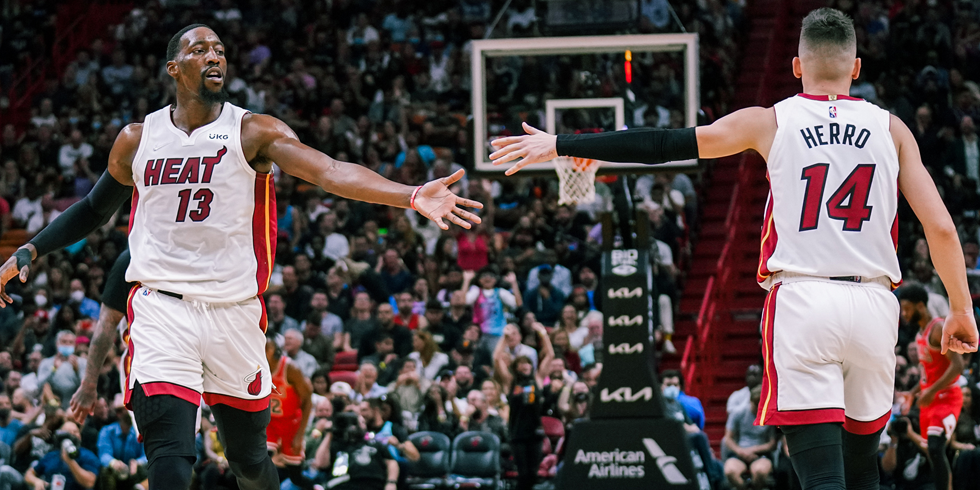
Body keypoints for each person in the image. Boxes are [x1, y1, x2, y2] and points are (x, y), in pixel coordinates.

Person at [490, 8, 979, 490]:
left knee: (823, 477)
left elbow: (664, 143)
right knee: (863, 472)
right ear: (855, 67)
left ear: (795, 66)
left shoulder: (769, 121)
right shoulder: (893, 130)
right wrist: (961, 307)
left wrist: (562, 143)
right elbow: (939, 227)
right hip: (874, 303)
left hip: (804, 299)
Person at [0, 24, 481, 490]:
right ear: (173, 67)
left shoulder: (252, 131)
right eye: (200, 49)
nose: (214, 56)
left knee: (248, 460)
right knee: (170, 453)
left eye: (220, 49)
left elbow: (331, 171)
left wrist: (411, 195)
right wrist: (29, 248)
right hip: (161, 307)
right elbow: (91, 209)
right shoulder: (137, 139)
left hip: (234, 312)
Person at [899, 284, 965, 490]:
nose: (904, 313)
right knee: (932, 453)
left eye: (907, 308)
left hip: (947, 398)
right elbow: (929, 376)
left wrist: (932, 390)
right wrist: (912, 393)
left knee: (936, 448)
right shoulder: (920, 333)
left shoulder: (937, 328)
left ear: (921, 305)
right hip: (930, 399)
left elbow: (958, 366)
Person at [495, 322, 554, 490]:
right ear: (516, 367)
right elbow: (497, 358)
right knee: (523, 473)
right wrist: (504, 339)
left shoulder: (537, 380)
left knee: (533, 474)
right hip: (517, 432)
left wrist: (543, 334)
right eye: (521, 363)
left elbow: (550, 355)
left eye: (528, 363)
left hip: (535, 432)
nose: (525, 365)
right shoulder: (510, 382)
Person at [264, 339, 314, 490]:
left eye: (267, 346)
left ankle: (316, 487)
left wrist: (300, 435)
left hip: (291, 423)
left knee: (296, 477)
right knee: (260, 462)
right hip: (269, 422)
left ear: (275, 350)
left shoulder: (290, 368)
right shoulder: (256, 367)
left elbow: (307, 401)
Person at [311, 412, 399, 490]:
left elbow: (391, 463)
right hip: (342, 485)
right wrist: (330, 433)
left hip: (373, 484)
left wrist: (391, 483)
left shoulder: (374, 444)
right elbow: (320, 463)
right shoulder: (336, 445)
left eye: (363, 423)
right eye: (360, 422)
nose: (363, 426)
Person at [723, 386, 777, 490]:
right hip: (739, 452)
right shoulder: (738, 413)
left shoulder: (769, 415)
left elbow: (772, 443)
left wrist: (753, 450)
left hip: (761, 454)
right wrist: (740, 451)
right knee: (730, 471)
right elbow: (728, 438)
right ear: (751, 401)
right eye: (755, 405)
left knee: (760, 472)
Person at [23, 420, 100, 490]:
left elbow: (89, 483)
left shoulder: (87, 455)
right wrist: (37, 481)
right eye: (68, 432)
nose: (72, 435)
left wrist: (70, 461)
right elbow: (29, 475)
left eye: (75, 432)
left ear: (79, 436)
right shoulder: (51, 455)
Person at [97, 394, 147, 490]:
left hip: (135, 472)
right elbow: (104, 454)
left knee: (147, 468)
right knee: (106, 470)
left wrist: (137, 462)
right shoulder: (107, 431)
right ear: (118, 413)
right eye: (126, 409)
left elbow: (146, 455)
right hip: (117, 472)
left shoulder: (140, 431)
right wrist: (114, 463)